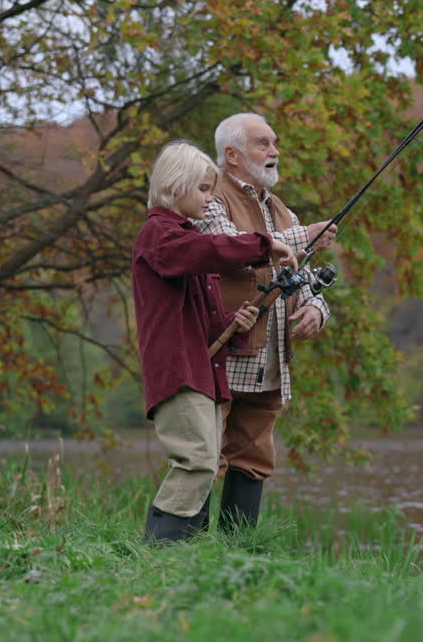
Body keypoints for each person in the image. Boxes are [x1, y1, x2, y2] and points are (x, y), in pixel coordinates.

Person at [132, 140, 297, 543]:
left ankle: (177, 551)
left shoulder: (180, 241)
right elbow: (207, 250)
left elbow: (197, 316)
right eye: (203, 189)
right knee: (197, 460)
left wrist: (229, 322)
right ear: (176, 186)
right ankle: (162, 550)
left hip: (200, 369)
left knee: (202, 459)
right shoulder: (161, 236)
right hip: (179, 371)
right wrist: (265, 244)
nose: (210, 198)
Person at [197, 113, 336, 531]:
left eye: (274, 143)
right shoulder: (208, 196)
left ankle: (238, 553)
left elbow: (302, 275)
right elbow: (228, 247)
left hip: (270, 359)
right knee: (204, 456)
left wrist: (316, 309)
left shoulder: (280, 210)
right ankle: (183, 553)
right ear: (232, 155)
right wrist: (306, 234)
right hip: (222, 351)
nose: (274, 152)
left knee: (254, 457)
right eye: (263, 143)